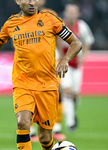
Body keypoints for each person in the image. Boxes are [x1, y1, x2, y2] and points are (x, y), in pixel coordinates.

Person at [0, 0, 82, 149]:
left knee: (45, 137)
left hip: (47, 85)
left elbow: (76, 43)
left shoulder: (50, 19)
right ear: (17, 1)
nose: (31, 2)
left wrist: (65, 59)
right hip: (23, 83)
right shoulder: (11, 24)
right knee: (23, 122)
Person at [29, 0, 66, 142]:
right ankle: (31, 132)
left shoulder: (51, 14)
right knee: (32, 94)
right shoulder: (23, 17)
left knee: (58, 91)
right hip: (32, 62)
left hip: (51, 60)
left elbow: (58, 36)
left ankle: (56, 129)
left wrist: (62, 58)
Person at [56, 2, 95, 133]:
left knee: (75, 96)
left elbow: (88, 41)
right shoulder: (60, 26)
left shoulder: (82, 26)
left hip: (77, 65)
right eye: (69, 11)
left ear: (78, 13)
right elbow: (55, 42)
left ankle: (71, 113)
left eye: (74, 11)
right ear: (65, 13)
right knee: (66, 90)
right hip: (63, 64)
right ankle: (71, 123)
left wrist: (84, 56)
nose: (71, 14)